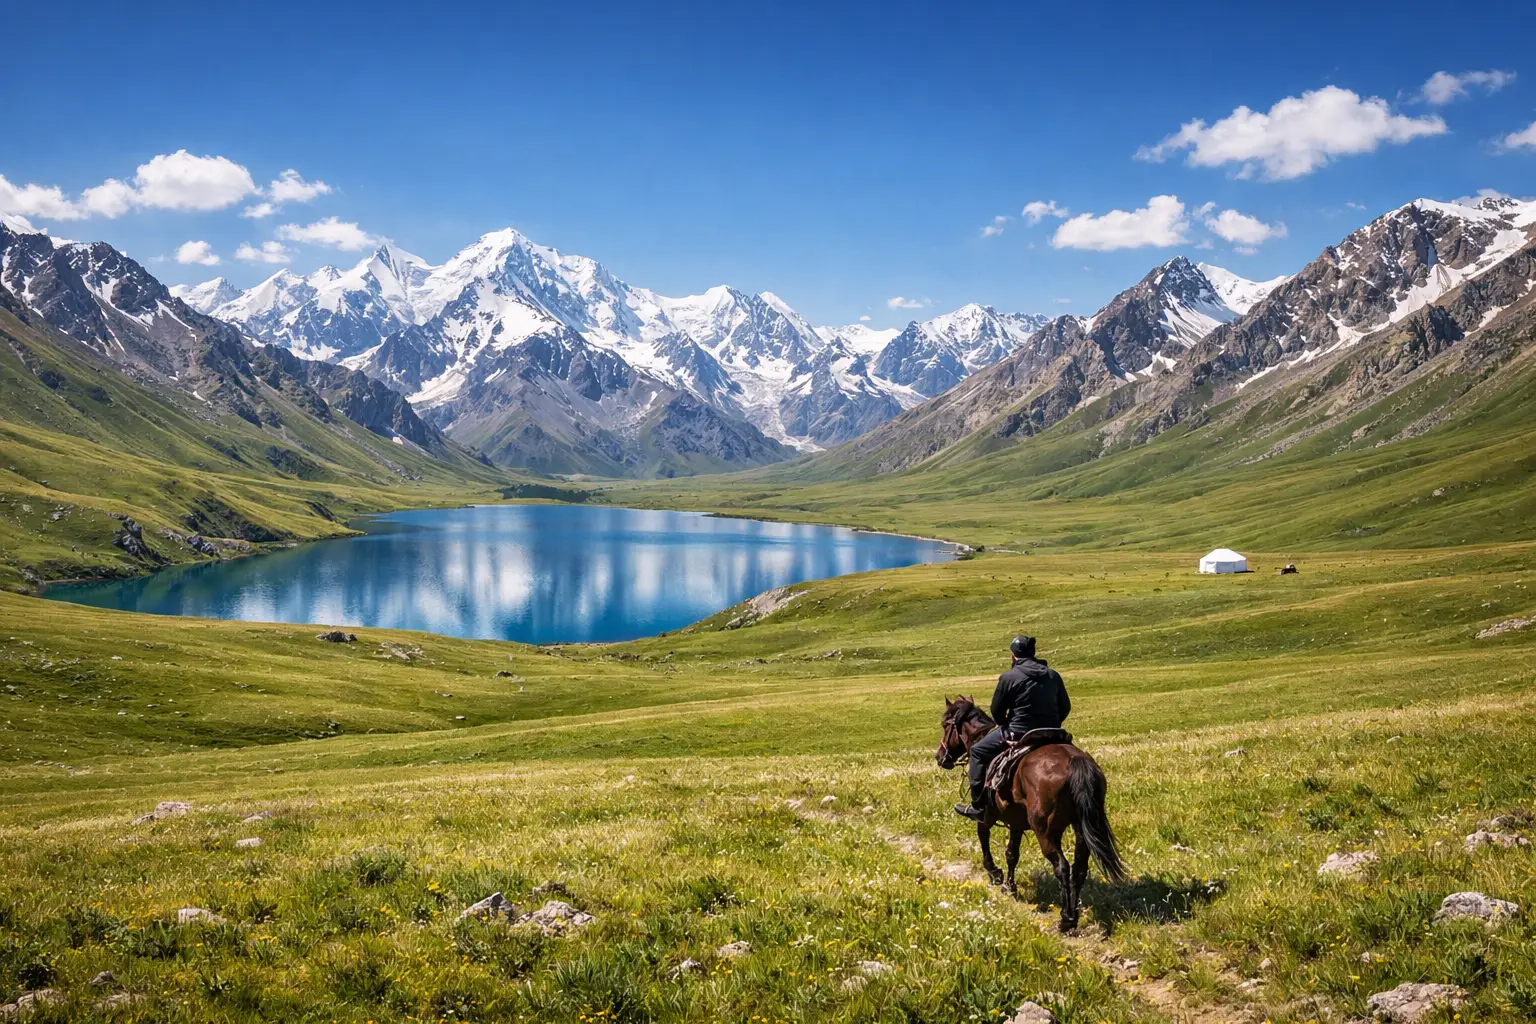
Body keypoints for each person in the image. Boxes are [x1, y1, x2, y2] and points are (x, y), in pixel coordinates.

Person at [953, 635, 1071, 822]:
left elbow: (996, 710)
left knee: (977, 751)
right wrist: (1053, 723)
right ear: (1033, 653)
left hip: (1018, 731)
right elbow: (1065, 707)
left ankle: (978, 806)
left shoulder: (1009, 677)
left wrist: (1004, 724)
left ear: (1013, 656)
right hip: (1052, 732)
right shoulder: (1052, 675)